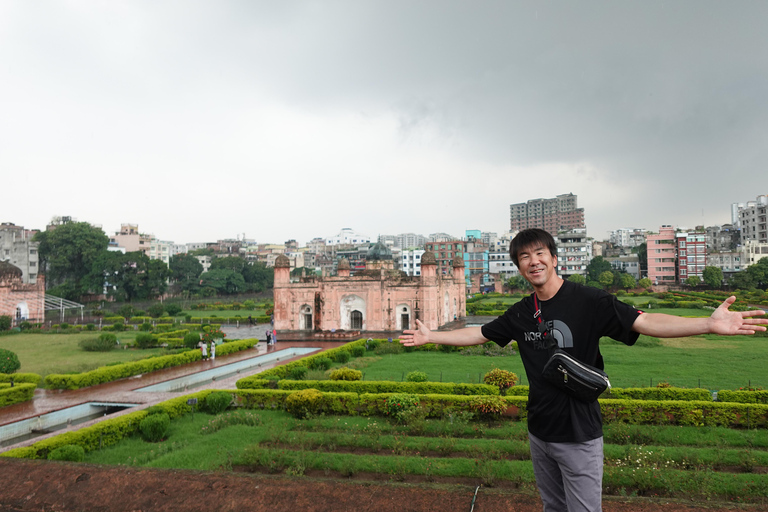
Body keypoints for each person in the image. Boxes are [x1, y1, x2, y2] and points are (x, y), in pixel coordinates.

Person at [400, 228, 767, 512]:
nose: (533, 262)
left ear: (554, 258)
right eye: (524, 257)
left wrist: (707, 324)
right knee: (553, 508)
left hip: (578, 434)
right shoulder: (521, 312)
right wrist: (432, 335)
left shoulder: (590, 301)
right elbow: (479, 333)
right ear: (518, 266)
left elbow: (646, 321)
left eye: (540, 253)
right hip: (539, 432)